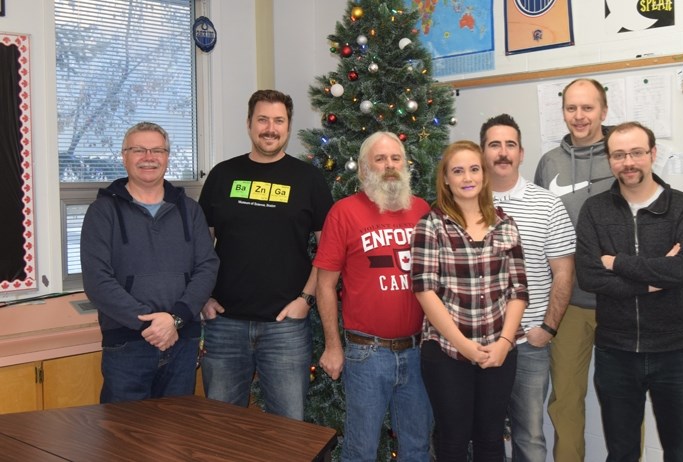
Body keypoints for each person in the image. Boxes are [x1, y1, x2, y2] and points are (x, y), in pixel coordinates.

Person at [198, 89, 334, 419]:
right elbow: (198, 245)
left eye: (278, 121)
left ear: (288, 127)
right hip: (224, 324)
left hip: (285, 327)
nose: (270, 128)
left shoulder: (309, 179)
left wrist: (306, 299)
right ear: (249, 124)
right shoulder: (222, 175)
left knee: (288, 431)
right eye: (262, 119)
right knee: (220, 429)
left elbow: (330, 249)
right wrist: (201, 297)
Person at [575, 121, 683, 462]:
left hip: (675, 351)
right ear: (609, 159)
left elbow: (682, 270)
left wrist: (615, 262)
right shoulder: (594, 210)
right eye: (619, 155)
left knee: (681, 452)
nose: (628, 162)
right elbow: (589, 277)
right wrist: (653, 278)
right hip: (615, 352)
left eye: (636, 153)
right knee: (621, 452)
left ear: (652, 154)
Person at [314, 131, 433, 461]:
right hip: (367, 354)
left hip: (418, 352)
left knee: (418, 448)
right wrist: (333, 345)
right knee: (361, 450)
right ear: (364, 169)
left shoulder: (422, 210)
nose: (389, 165)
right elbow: (325, 285)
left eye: (396, 158)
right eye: (380, 159)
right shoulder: (344, 212)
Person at [81, 121, 219, 403]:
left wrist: (176, 319)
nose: (148, 157)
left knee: (177, 436)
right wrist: (149, 324)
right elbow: (97, 281)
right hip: (127, 344)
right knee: (123, 438)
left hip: (182, 340)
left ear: (167, 157)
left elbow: (207, 266)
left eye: (157, 150)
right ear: (124, 156)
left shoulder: (189, 210)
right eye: (139, 150)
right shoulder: (102, 211)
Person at [411, 140, 528, 461]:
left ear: (484, 175)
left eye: (474, 169)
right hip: (447, 352)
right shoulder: (431, 225)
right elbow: (425, 290)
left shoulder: (505, 225)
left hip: (498, 351)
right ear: (446, 179)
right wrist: (462, 344)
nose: (467, 177)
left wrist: (505, 342)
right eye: (458, 171)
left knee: (491, 439)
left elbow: (519, 290)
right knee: (452, 439)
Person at [480, 114, 575, 461]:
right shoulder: (464, 205)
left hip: (528, 345)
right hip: (477, 344)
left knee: (529, 436)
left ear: (521, 153)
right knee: (484, 435)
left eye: (509, 145)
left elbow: (564, 272)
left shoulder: (548, 205)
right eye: (494, 145)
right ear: (482, 153)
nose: (502, 153)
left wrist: (547, 328)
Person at [533, 78, 614, 462]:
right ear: (563, 112)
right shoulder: (549, 162)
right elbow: (536, 230)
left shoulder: (622, 155)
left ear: (603, 111)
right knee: (564, 403)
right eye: (571, 108)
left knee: (622, 403)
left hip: (619, 303)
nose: (579, 116)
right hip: (567, 306)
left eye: (587, 108)